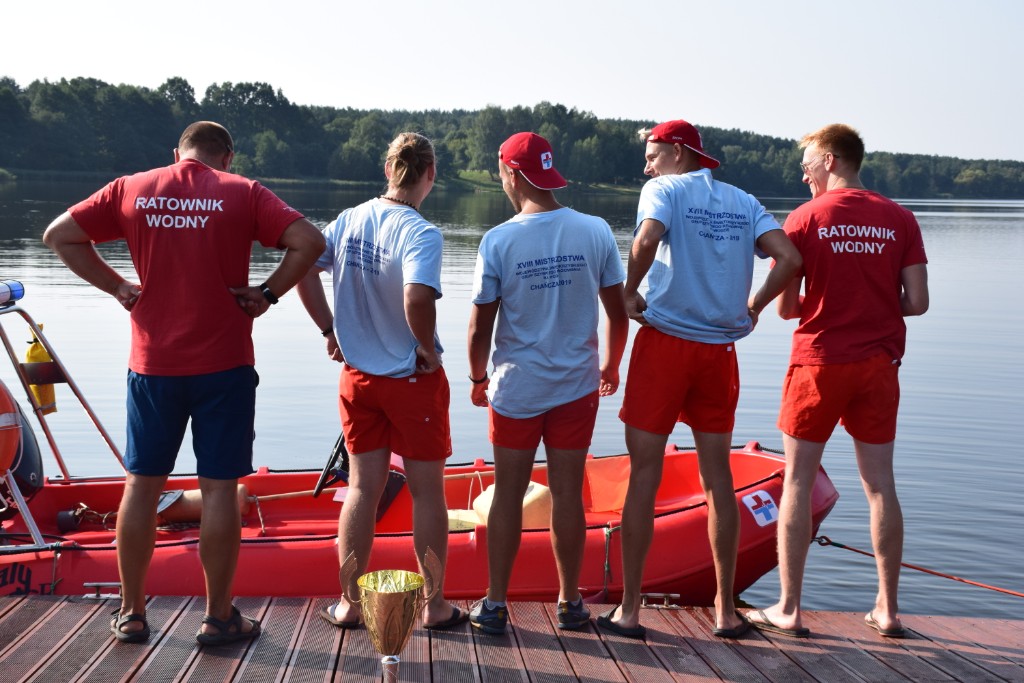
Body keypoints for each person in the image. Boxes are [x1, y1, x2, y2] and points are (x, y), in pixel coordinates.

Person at [42, 121, 326, 645]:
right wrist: (267, 293)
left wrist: (118, 287)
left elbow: (58, 236)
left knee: (142, 485)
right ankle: (218, 617)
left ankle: (132, 613)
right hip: (225, 365)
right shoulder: (243, 191)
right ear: (228, 157)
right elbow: (309, 242)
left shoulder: (132, 188)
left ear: (177, 153)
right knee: (218, 489)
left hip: (153, 365)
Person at [600, 119, 802, 640]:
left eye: (652, 155)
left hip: (665, 346)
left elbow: (647, 239)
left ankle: (629, 611)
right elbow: (789, 258)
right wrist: (754, 306)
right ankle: (725, 611)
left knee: (644, 475)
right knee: (718, 479)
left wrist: (628, 292)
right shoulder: (744, 201)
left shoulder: (664, 191)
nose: (646, 166)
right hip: (719, 353)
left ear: (677, 151)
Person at [746, 124, 929, 639]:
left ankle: (789, 609)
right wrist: (871, 306)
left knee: (798, 481)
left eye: (807, 164)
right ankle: (888, 611)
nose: (803, 174)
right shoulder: (900, 218)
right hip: (878, 365)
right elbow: (917, 302)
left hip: (819, 363)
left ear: (830, 160)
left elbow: (786, 309)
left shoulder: (805, 218)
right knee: (881, 486)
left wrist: (829, 303)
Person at [296, 132, 467, 631]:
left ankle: (349, 602)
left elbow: (303, 266)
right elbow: (417, 297)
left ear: (388, 169)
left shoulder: (349, 219)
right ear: (430, 174)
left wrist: (329, 329)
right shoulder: (422, 233)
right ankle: (434, 605)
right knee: (428, 493)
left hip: (358, 380)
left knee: (361, 489)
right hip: (411, 381)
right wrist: (427, 347)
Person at [467, 132, 628, 634]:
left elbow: (479, 327)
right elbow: (618, 312)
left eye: (501, 173)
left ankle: (495, 604)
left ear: (512, 175)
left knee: (507, 495)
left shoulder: (499, 240)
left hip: (516, 390)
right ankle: (570, 601)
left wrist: (477, 377)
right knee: (567, 494)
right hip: (577, 387)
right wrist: (611, 366)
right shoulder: (595, 230)